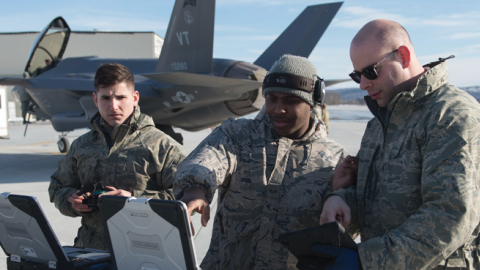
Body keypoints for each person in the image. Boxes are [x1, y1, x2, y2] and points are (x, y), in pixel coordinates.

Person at [321, 19, 480, 269]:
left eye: (371, 71)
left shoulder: (452, 115)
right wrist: (340, 198)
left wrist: (366, 260)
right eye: (356, 75)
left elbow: (449, 215)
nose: (363, 84)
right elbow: (376, 197)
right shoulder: (380, 123)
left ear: (403, 56)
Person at [173, 54, 349, 269]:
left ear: (313, 102)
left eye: (291, 101)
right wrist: (195, 189)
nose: (278, 109)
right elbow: (208, 158)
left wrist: (340, 194)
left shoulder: (336, 160)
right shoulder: (237, 135)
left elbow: (348, 230)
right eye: (272, 98)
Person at [48, 63, 185, 250]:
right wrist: (73, 202)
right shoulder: (81, 145)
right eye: (105, 98)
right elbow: (58, 187)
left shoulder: (161, 145)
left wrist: (135, 200)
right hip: (91, 253)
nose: (113, 106)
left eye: (121, 97)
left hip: (144, 253)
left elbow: (186, 195)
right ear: (95, 99)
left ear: (135, 98)